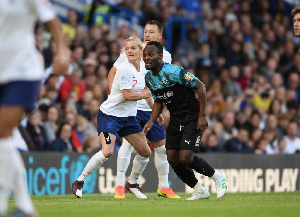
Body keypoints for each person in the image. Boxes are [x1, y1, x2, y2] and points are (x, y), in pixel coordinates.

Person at [0, 0, 69, 216]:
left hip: (23, 71)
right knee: (4, 139)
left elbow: (51, 19)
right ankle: (25, 207)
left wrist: (61, 52)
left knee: (2, 132)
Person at [143, 41, 228, 200]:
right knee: (172, 158)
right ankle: (199, 190)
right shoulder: (149, 78)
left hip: (192, 116)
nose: (147, 58)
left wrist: (202, 116)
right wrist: (151, 120)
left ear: (160, 56)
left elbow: (200, 87)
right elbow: (159, 101)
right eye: (145, 55)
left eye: (151, 55)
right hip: (175, 118)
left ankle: (218, 177)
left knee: (185, 158)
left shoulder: (174, 71)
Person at [71, 37, 152, 199]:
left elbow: (145, 89)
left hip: (128, 118)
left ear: (141, 51)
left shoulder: (144, 68)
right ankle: (79, 181)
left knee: (145, 152)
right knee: (107, 151)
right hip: (110, 115)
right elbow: (127, 95)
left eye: (133, 48)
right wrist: (148, 93)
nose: (129, 51)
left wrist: (154, 111)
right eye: (127, 48)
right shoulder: (124, 69)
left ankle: (132, 183)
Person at [108, 20, 179, 199]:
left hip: (150, 107)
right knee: (128, 145)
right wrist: (114, 98)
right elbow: (112, 73)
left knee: (161, 148)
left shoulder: (167, 56)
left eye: (151, 32)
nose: (146, 35)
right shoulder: (132, 51)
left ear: (159, 36)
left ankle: (161, 186)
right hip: (131, 106)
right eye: (145, 31)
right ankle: (119, 186)